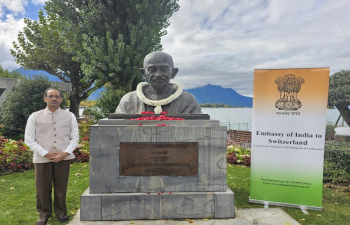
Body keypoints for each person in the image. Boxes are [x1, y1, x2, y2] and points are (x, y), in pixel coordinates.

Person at [25, 88, 79, 225]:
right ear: (45, 99)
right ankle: (44, 214)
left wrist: (65, 153)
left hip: (63, 158)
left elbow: (74, 138)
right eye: (50, 96)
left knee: (61, 187)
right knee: (42, 188)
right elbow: (29, 139)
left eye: (56, 96)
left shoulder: (70, 116)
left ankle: (61, 213)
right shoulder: (34, 116)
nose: (53, 99)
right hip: (42, 158)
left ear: (61, 99)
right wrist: (45, 153)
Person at [116, 51, 202, 114]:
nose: (158, 75)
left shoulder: (188, 101)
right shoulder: (129, 101)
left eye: (164, 69)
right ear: (144, 73)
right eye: (152, 70)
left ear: (173, 73)